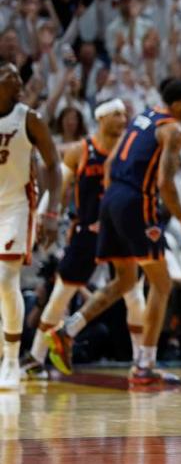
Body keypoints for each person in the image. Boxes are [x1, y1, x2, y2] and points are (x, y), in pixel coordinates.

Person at [46, 80, 181, 387]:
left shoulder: (144, 117)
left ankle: (67, 331)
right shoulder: (173, 131)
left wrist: (112, 202)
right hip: (135, 202)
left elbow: (112, 162)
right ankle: (145, 365)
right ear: (180, 103)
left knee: (127, 281)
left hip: (112, 198)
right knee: (162, 282)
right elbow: (165, 184)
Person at [23, 100, 147, 379]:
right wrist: (45, 217)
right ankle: (35, 357)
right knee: (60, 295)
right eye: (116, 114)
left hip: (120, 232)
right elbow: (59, 187)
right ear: (101, 118)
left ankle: (141, 362)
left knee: (135, 296)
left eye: (125, 114)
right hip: (86, 232)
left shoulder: (129, 152)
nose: (123, 118)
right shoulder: (81, 150)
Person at [0, 62, 61, 389]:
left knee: (6, 278)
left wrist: (52, 212)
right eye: (11, 78)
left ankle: (11, 360)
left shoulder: (29, 119)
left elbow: (53, 165)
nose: (19, 82)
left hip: (17, 207)